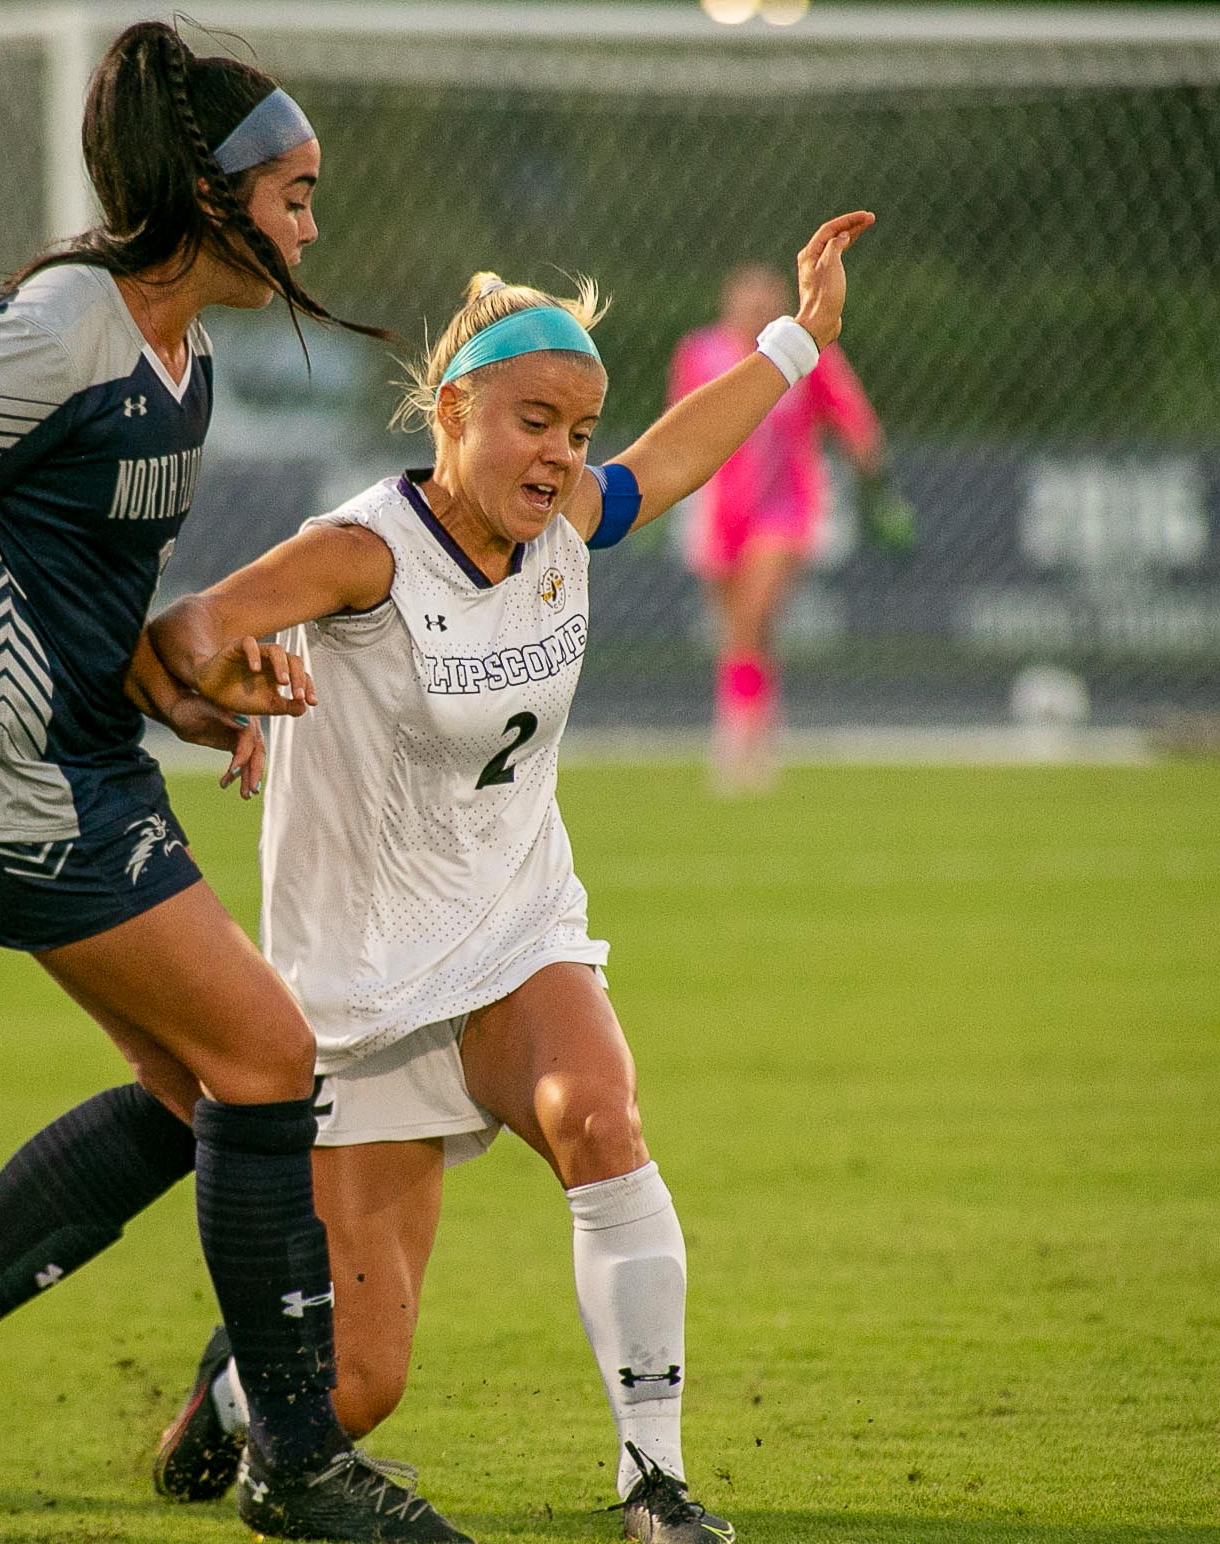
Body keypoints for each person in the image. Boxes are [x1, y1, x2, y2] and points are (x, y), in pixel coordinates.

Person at [0, 22, 470, 1543]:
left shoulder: (180, 370)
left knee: (197, 1089)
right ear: (209, 190)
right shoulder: (69, 320)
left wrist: (192, 701)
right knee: (266, 1059)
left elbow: (65, 594)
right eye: (295, 193)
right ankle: (298, 1463)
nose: (312, 226)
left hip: (79, 760)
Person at [142, 214, 875, 1543]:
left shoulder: (569, 524)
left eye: (579, 431)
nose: (564, 457)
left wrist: (793, 343)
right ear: (454, 405)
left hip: (513, 932)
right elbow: (186, 628)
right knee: (359, 1385)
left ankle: (654, 1481)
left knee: (600, 1117)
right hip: (358, 991)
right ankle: (238, 1389)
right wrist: (226, 682)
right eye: (536, 420)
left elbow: (673, 458)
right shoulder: (363, 550)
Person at [671, 262, 885, 793]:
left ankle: (739, 739)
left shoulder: (804, 353)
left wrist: (872, 468)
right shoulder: (701, 354)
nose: (755, 310)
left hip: (785, 509)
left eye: (765, 301)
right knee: (741, 630)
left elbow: (850, 415)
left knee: (754, 613)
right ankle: (756, 726)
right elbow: (679, 422)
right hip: (720, 510)